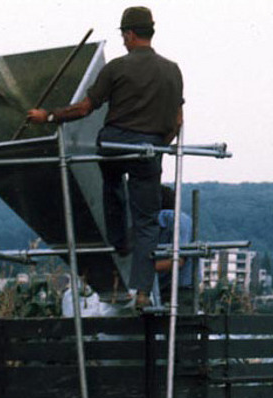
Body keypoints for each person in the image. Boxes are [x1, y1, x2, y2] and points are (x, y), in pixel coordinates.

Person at [27, 6, 183, 308]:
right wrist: (159, 146)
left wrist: (48, 117)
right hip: (149, 148)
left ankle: (119, 242)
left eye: (124, 36)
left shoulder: (116, 68)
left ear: (130, 34)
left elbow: (84, 108)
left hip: (114, 143)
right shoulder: (172, 69)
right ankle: (141, 292)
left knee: (111, 190)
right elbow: (177, 120)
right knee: (148, 222)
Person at [155, 185, 193, 309]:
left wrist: (142, 269)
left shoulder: (176, 219)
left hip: (180, 289)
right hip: (160, 287)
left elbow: (179, 260)